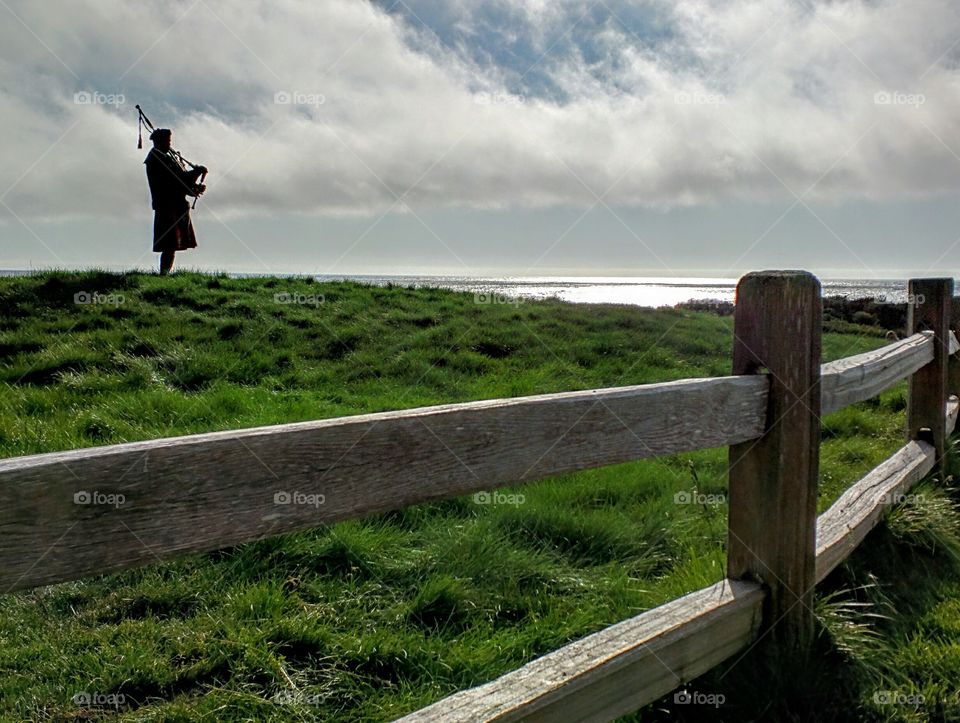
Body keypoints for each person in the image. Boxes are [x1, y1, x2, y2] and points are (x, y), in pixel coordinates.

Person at [144, 129, 206, 274]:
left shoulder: (163, 158)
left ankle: (165, 274)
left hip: (173, 205)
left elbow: (179, 182)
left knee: (171, 244)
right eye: (168, 141)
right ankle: (163, 275)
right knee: (169, 244)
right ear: (159, 141)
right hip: (167, 205)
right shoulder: (157, 159)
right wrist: (197, 172)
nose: (169, 144)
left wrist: (194, 188)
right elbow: (177, 180)